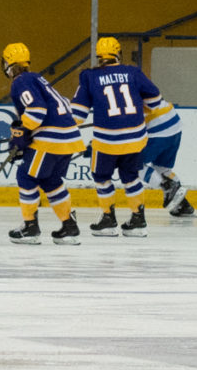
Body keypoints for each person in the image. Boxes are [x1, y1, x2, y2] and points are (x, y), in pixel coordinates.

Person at [69, 37, 167, 236]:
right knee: (131, 176)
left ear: (99, 57)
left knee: (101, 177)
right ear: (118, 54)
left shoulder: (89, 76)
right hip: (135, 138)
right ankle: (138, 220)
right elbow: (156, 101)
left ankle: (108, 220)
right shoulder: (133, 72)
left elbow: (77, 115)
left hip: (107, 141)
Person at [0, 42, 85, 245]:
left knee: (26, 176)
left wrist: (21, 133)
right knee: (50, 180)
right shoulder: (38, 78)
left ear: (8, 63)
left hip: (50, 139)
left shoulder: (21, 81)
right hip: (69, 138)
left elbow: (37, 111)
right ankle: (69, 227)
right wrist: (23, 133)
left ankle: (30, 228)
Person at [141, 91, 195, 220]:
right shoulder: (133, 79)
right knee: (162, 168)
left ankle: (166, 185)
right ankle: (181, 205)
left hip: (157, 129)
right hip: (174, 124)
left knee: (130, 164)